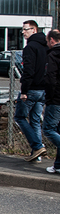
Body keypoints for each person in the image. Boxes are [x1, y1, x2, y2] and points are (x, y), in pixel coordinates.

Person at [16, 20, 49, 162]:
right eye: (22, 30)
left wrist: (24, 90)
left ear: (34, 30)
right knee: (35, 120)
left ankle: (37, 146)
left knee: (20, 117)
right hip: (43, 89)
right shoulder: (46, 46)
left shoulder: (30, 48)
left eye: (26, 29)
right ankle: (37, 154)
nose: (23, 32)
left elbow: (28, 71)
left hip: (32, 89)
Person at [43, 29, 60, 173]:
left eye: (47, 41)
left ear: (52, 41)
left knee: (48, 129)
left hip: (56, 99)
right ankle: (58, 165)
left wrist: (49, 97)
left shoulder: (53, 55)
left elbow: (50, 78)